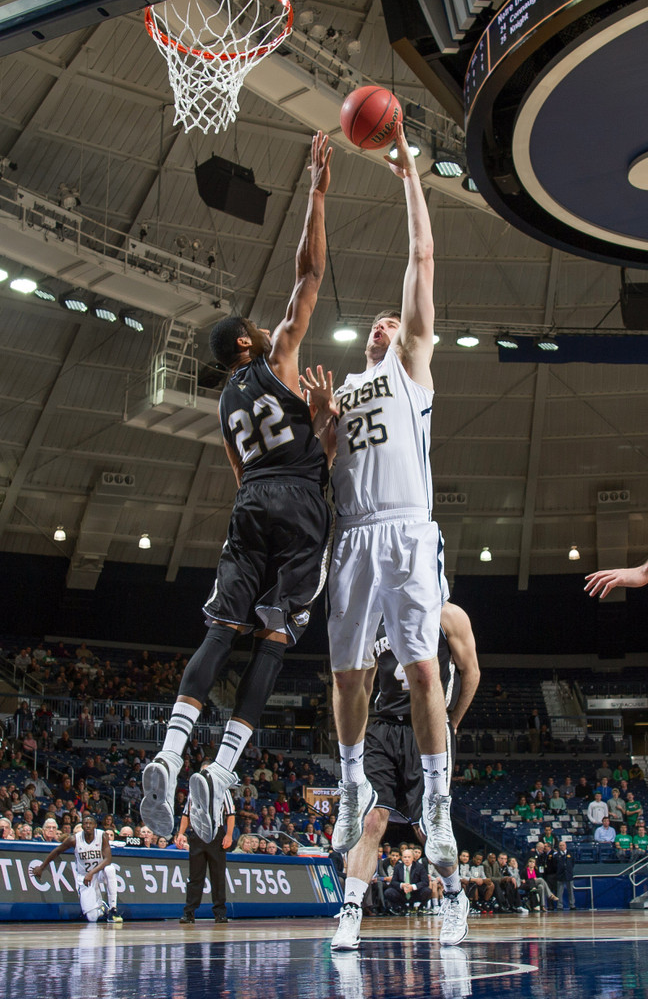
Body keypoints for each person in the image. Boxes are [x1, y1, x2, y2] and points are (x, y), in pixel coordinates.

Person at [140, 131, 333, 842]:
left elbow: (241, 474)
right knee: (275, 641)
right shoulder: (279, 357)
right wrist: (315, 193)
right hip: (297, 504)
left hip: (248, 502)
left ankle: (167, 751)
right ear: (247, 344)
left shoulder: (224, 406)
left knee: (219, 631)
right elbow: (309, 275)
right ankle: (220, 771)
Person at [303, 123, 453, 880]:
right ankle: (353, 778)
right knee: (346, 676)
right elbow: (329, 465)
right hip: (352, 534)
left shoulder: (410, 373)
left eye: (396, 322)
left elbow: (421, 259)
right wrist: (322, 427)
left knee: (424, 672)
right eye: (381, 322)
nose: (387, 322)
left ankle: (436, 803)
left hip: (404, 532)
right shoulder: (351, 389)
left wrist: (407, 176)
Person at [330, 600, 479, 950]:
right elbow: (363, 678)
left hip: (426, 728)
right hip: (382, 728)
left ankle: (455, 896)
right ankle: (351, 909)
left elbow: (470, 671)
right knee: (369, 818)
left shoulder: (449, 614)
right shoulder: (375, 614)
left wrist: (452, 722)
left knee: (426, 825)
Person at [31, 813, 122, 922]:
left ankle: (113, 909)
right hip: (84, 877)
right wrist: (42, 867)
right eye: (85, 823)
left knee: (110, 869)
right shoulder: (74, 839)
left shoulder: (102, 836)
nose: (88, 825)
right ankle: (102, 908)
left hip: (98, 872)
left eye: (90, 823)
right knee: (92, 918)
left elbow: (108, 859)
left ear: (95, 826)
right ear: (82, 826)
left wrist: (92, 873)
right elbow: (57, 851)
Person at [177, 766, 235, 924]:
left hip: (217, 835)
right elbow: (186, 814)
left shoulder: (223, 790)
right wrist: (181, 833)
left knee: (218, 876)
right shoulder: (193, 792)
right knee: (195, 876)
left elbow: (230, 814)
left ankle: (220, 912)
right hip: (197, 834)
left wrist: (229, 835)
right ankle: (189, 912)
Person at [383, 848, 431, 914]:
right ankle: (403, 907)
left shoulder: (420, 867)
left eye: (409, 857)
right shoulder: (398, 867)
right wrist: (402, 885)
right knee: (389, 892)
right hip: (402, 893)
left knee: (427, 890)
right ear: (402, 858)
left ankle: (420, 908)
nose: (407, 859)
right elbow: (393, 882)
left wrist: (413, 887)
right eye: (405, 857)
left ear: (412, 858)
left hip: (415, 892)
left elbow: (425, 882)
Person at [554, 840, 576, 910]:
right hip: (560, 875)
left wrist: (569, 870)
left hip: (568, 875)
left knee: (571, 891)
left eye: (563, 845)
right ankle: (559, 906)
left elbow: (572, 863)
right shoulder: (556, 855)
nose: (562, 847)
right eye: (560, 845)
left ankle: (572, 905)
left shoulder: (570, 854)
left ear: (565, 846)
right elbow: (554, 865)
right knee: (560, 891)